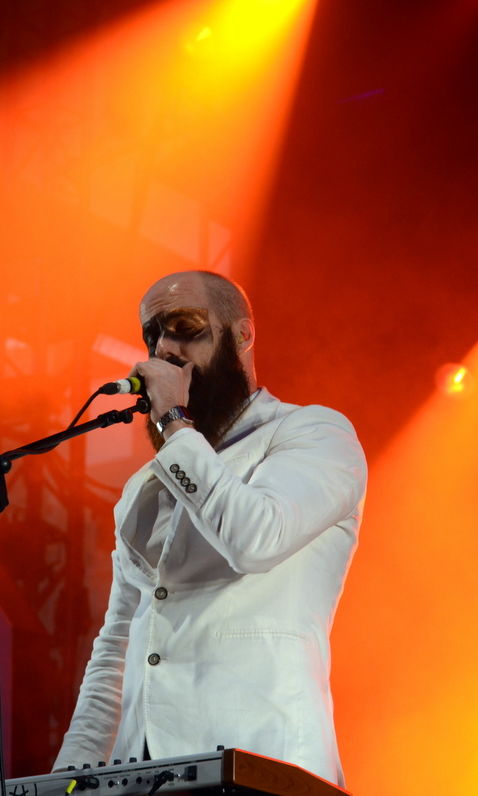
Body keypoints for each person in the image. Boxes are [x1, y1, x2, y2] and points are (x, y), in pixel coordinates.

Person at [53, 270, 367, 787]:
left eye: (184, 326)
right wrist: (71, 774)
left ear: (241, 335)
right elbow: (117, 645)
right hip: (143, 774)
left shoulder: (312, 432)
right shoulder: (144, 487)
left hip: (263, 759)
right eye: (152, 335)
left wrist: (174, 421)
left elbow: (256, 539)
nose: (163, 349)